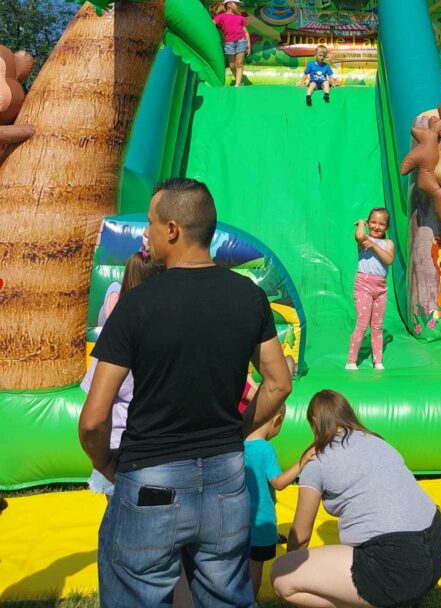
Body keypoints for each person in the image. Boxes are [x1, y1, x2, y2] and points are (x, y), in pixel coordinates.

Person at [79, 177, 293, 608]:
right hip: (226, 481)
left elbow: (94, 418)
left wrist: (105, 463)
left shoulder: (136, 305)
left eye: (151, 224)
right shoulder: (249, 296)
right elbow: (279, 383)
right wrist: (235, 431)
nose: (147, 234)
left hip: (149, 479)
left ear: (173, 229)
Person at [271, 390, 441, 608]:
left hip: (395, 566)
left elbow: (300, 537)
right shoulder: (376, 440)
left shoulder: (317, 461)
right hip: (438, 547)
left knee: (281, 576)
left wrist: (293, 562)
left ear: (315, 423)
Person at [80, 251, 165, 497]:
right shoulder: (169, 332)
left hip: (119, 448)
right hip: (160, 448)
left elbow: (94, 413)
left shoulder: (117, 333)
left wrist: (103, 462)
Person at [243, 406, 316, 602]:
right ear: (277, 420)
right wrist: (301, 463)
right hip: (261, 521)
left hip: (237, 520)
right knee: (255, 565)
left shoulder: (238, 444)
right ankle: (250, 602)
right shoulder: (265, 449)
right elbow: (278, 482)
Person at [346, 209, 395, 370]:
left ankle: (378, 361)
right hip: (363, 286)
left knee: (377, 326)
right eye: (373, 222)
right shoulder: (365, 239)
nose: (376, 226)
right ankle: (351, 361)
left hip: (380, 288)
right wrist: (361, 224)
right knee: (362, 324)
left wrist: (374, 246)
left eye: (381, 224)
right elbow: (359, 236)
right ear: (369, 223)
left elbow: (389, 260)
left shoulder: (388, 243)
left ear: (387, 227)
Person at [214, 0, 250, 87]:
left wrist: (248, 46)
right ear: (229, 4)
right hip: (229, 43)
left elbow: (246, 32)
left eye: (238, 4)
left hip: (241, 41)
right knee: (232, 65)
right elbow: (211, 24)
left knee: (239, 64)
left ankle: (237, 85)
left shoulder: (240, 17)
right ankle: (240, 82)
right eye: (236, 4)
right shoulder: (221, 17)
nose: (238, 6)